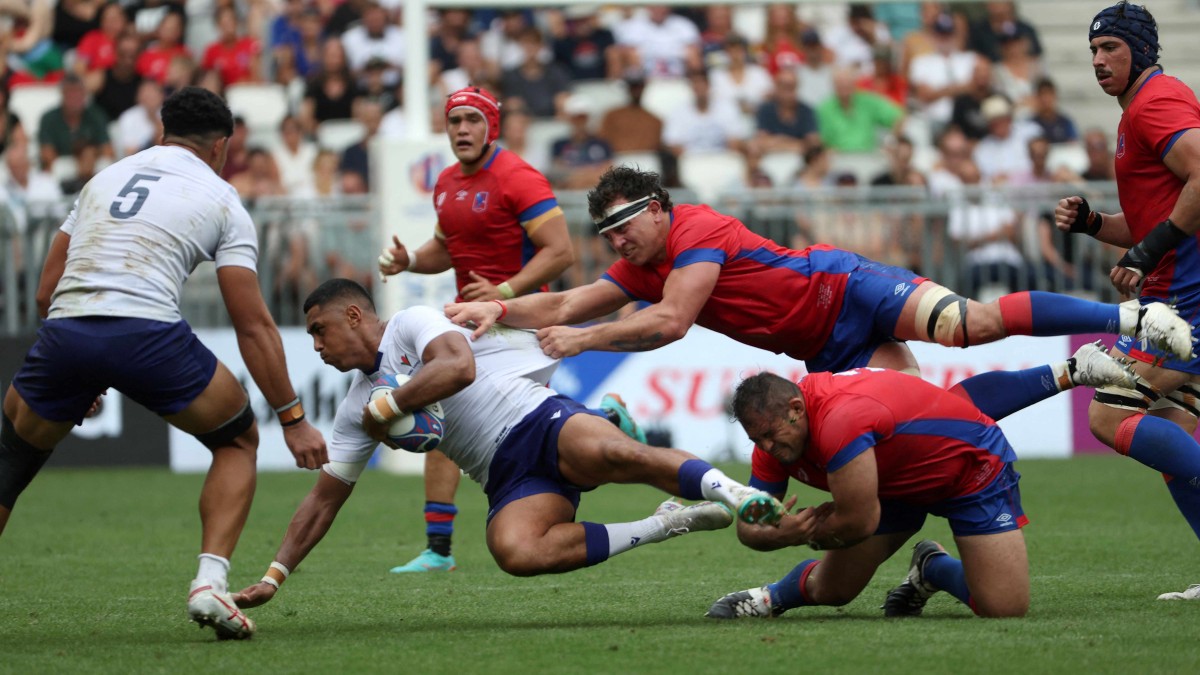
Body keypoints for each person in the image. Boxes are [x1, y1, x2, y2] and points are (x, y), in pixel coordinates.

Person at [229, 279, 785, 609]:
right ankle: (665, 523)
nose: (317, 346)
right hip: (507, 476)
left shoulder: (410, 323)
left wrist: (393, 406)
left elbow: (458, 366)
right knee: (515, 552)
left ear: (354, 315)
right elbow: (323, 501)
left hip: (537, 418)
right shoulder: (356, 408)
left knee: (619, 454)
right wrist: (273, 577)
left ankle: (734, 493)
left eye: (319, 330)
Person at [0, 87, 328, 640]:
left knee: (12, 453)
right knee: (237, 440)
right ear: (221, 145)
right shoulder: (223, 199)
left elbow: (46, 290)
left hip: (66, 329)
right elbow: (252, 324)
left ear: (161, 131)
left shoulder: (103, 179)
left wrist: (81, 366)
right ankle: (209, 583)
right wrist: (292, 420)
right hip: (146, 331)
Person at [445, 164, 1192, 386]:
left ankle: (1125, 320)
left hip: (847, 286)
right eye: (606, 231)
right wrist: (497, 309)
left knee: (972, 326)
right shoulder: (643, 261)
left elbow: (671, 323)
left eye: (626, 223)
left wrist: (579, 341)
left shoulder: (696, 230)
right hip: (825, 345)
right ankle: (1076, 371)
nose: (618, 239)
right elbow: (570, 295)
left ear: (661, 208)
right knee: (923, 423)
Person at [375, 86, 639, 575]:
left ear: (491, 128)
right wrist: (409, 260)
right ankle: (438, 546)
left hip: (518, 323)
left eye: (472, 121)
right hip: (473, 325)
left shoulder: (518, 177)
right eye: (454, 122)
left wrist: (505, 293)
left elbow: (561, 252)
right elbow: (447, 247)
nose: (462, 130)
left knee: (464, 421)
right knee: (447, 421)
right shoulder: (447, 182)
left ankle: (440, 547)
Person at [705, 343, 1136, 619]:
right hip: (891, 480)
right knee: (832, 590)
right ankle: (769, 598)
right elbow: (749, 525)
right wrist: (777, 535)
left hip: (969, 468)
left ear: (797, 410)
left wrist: (804, 534)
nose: (765, 447)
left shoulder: (839, 421)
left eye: (769, 435)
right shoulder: (773, 438)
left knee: (1003, 608)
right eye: (755, 439)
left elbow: (857, 521)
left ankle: (932, 567)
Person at [1054, 1, 1200, 601]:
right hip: (1171, 297)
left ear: (1139, 49)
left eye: (1110, 48)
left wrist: (1147, 252)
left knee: (1108, 416)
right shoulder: (1134, 112)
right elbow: (1152, 219)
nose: (1097, 61)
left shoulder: (1156, 101)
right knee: (1174, 426)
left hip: (1182, 303)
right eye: (1092, 51)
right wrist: (1094, 224)